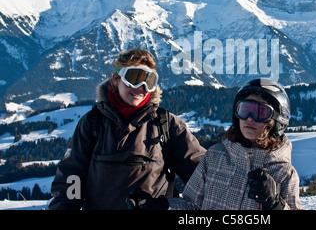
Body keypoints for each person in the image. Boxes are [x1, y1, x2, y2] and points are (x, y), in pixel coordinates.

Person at [49, 48, 206, 210]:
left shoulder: (166, 124)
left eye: (149, 81)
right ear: (116, 79)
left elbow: (202, 175)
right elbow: (71, 178)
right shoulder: (93, 123)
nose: (141, 87)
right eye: (134, 78)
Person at [168, 78, 302, 210]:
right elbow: (190, 204)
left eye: (260, 113)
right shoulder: (216, 156)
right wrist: (163, 205)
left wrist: (276, 205)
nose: (250, 118)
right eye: (245, 110)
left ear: (276, 121)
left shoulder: (284, 173)